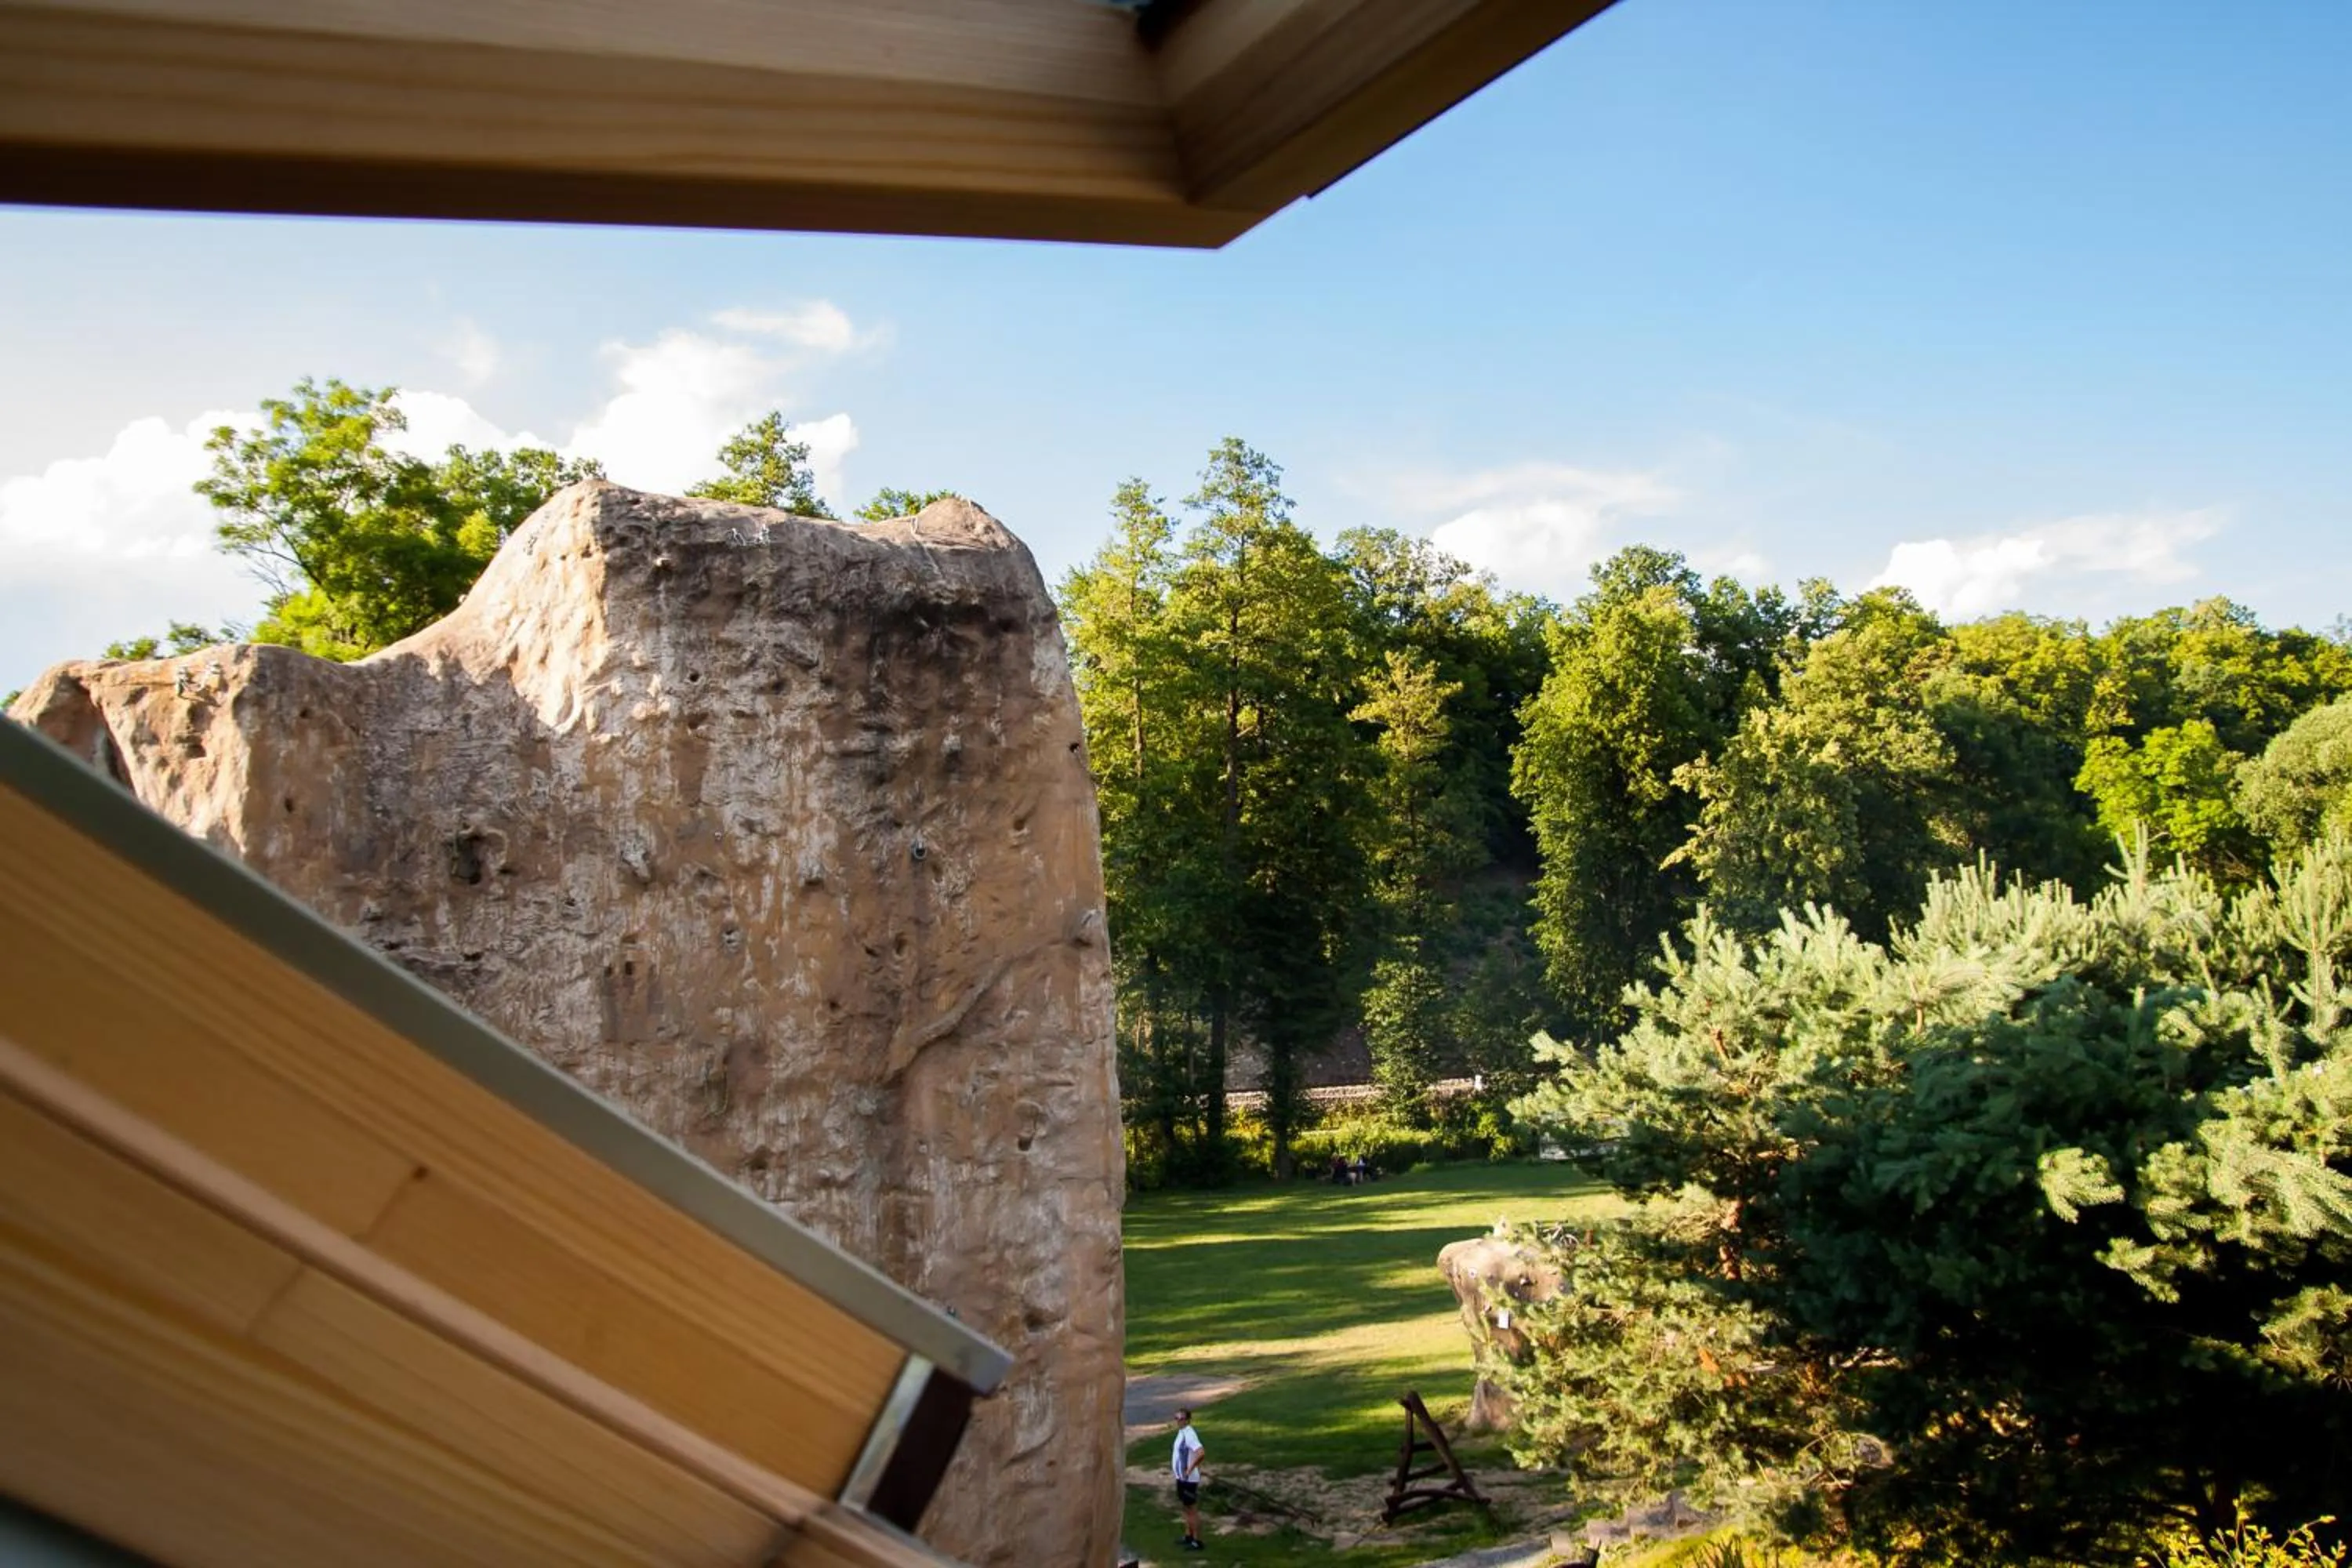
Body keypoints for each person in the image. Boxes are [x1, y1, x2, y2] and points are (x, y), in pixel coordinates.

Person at [1171, 1407, 1205, 1552]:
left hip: (1189, 1480)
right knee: (1186, 1508)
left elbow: (1201, 1453)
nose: (1179, 1421)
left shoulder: (1189, 1435)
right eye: (1177, 1418)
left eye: (1182, 1419)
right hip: (1181, 1478)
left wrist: (1190, 1469)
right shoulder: (1182, 1432)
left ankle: (1197, 1540)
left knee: (1192, 1510)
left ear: (1188, 1420)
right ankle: (1188, 1535)